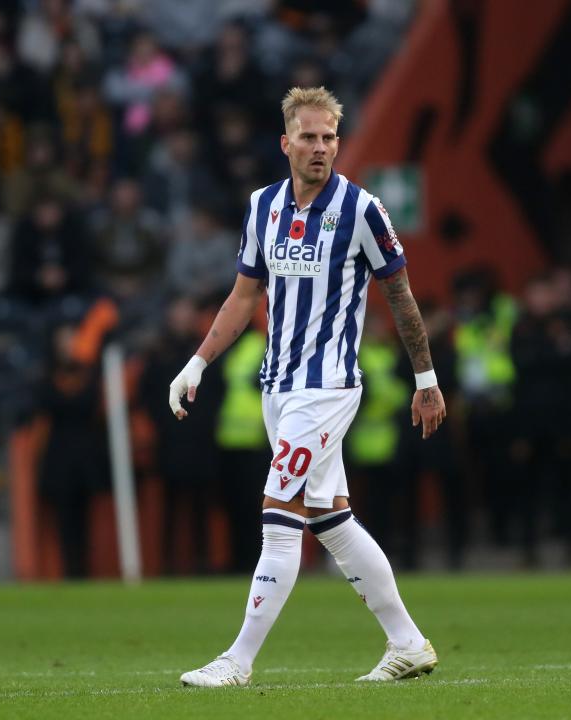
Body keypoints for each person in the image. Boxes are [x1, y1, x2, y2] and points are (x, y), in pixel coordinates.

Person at [170, 87, 445, 687]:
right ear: (286, 142)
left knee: (278, 515)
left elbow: (399, 295)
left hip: (328, 389)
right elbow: (245, 294)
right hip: (277, 386)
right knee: (331, 519)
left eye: (329, 139)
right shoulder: (261, 206)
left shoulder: (363, 210)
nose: (320, 148)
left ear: (337, 144)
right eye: (310, 137)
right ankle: (408, 642)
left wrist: (425, 378)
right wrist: (199, 361)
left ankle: (238, 661)